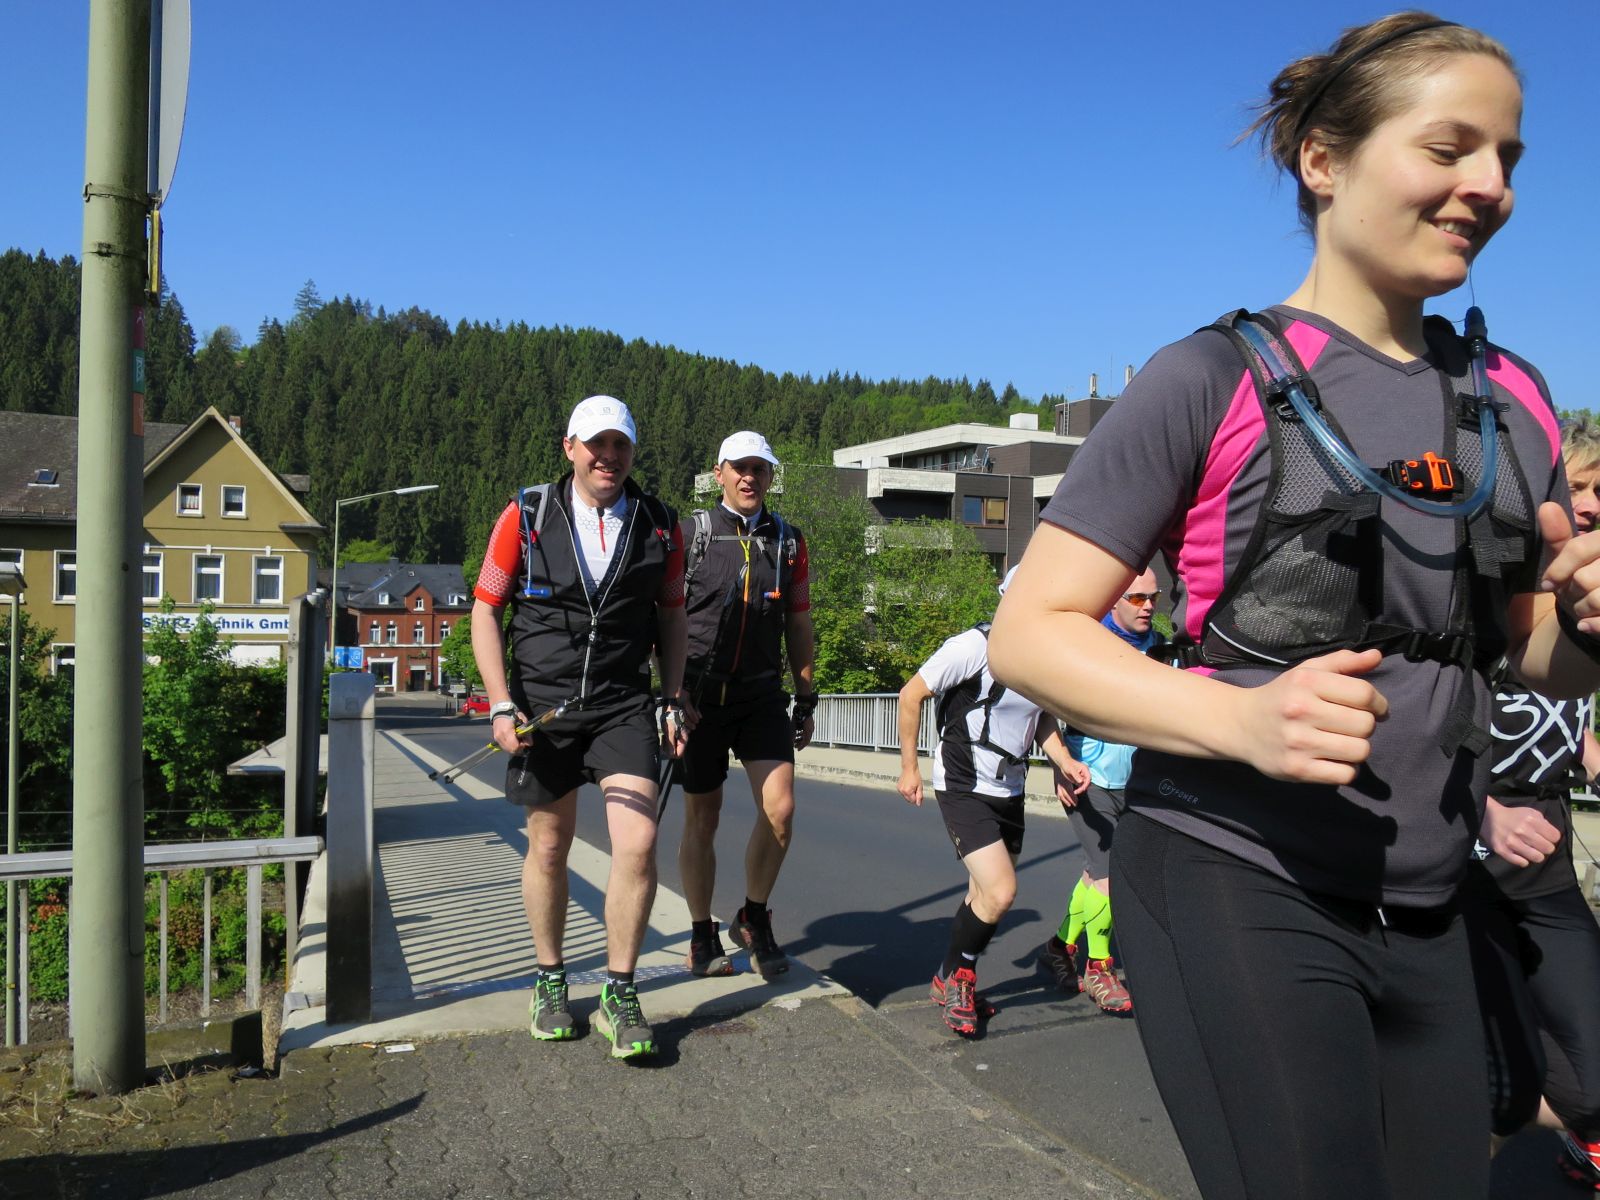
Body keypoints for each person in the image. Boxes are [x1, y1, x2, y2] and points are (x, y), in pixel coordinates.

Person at [989, 14, 1599, 1197]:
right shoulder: (1210, 377)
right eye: (1449, 149)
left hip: (1430, 895)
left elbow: (1530, 651)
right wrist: (1239, 721)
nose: (1491, 186)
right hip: (1232, 869)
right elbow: (1031, 633)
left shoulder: (1513, 401)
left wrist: (1584, 629)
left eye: (1508, 158)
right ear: (1324, 159)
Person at [471, 394, 690, 1061]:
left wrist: (673, 697)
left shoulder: (660, 524)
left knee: (639, 843)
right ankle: (550, 979)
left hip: (623, 705)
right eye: (596, 444)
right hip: (544, 709)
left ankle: (619, 992)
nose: (609, 457)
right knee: (548, 846)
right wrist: (500, 703)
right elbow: (485, 610)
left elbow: (672, 615)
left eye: (620, 444)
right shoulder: (527, 514)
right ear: (570, 448)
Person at [1464, 417, 1600, 1188]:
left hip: (1545, 854)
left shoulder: (1587, 591)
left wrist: (1591, 754)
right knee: (1485, 1069)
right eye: (1575, 486)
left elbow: (1562, 709)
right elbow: (1422, 711)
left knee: (1592, 1080)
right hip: (1465, 848)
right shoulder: (1492, 577)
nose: (1590, 504)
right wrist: (1483, 806)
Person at [897, 569, 1088, 1037]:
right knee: (1000, 892)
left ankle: (947, 976)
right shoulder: (973, 647)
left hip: (1011, 787)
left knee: (983, 895)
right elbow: (910, 693)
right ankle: (961, 978)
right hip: (964, 780)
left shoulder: (1040, 658)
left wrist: (1063, 760)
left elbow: (1041, 719)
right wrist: (909, 767)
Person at [675, 431, 816, 980]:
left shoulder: (789, 542)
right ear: (720, 474)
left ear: (771, 476)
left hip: (760, 696)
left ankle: (753, 917)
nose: (750, 477)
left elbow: (798, 623)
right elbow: (664, 617)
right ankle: (701, 932)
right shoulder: (692, 535)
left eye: (760, 468)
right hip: (699, 700)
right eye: (740, 467)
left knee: (780, 811)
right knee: (702, 817)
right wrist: (670, 693)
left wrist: (805, 696)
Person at [1038, 567, 1164, 1016]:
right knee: (1110, 878)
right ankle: (1099, 969)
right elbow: (1043, 712)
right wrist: (1060, 764)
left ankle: (1059, 946)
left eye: (1153, 597)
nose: (1148, 606)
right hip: (1087, 781)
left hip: (1137, 784)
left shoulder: (1161, 649)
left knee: (1096, 877)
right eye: (1137, 598)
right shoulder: (1086, 646)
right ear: (1113, 600)